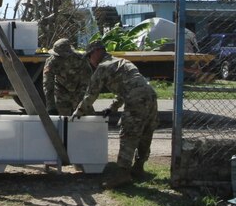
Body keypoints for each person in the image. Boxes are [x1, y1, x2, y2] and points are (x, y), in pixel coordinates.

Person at [73, 42, 159, 189]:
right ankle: (139, 168)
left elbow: (91, 95)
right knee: (145, 132)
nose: (89, 60)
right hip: (150, 95)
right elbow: (126, 88)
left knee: (128, 134)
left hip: (136, 98)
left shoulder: (102, 67)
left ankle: (123, 173)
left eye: (89, 56)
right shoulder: (121, 62)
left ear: (96, 52)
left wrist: (77, 113)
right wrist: (112, 108)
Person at [41, 37, 92, 116]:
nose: (58, 58)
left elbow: (87, 81)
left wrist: (81, 99)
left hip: (79, 88)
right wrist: (50, 106)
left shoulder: (80, 59)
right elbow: (48, 85)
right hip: (61, 89)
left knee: (85, 116)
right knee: (63, 118)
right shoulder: (51, 62)